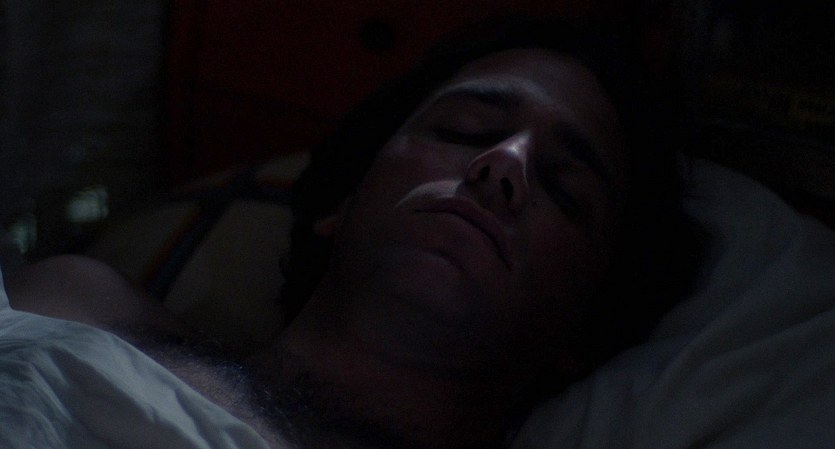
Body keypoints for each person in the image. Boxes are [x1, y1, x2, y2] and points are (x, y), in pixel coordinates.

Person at [4, 16, 702, 449]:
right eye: (463, 131)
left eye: (563, 189)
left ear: (583, 328)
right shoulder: (78, 302)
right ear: (343, 200)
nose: (504, 164)